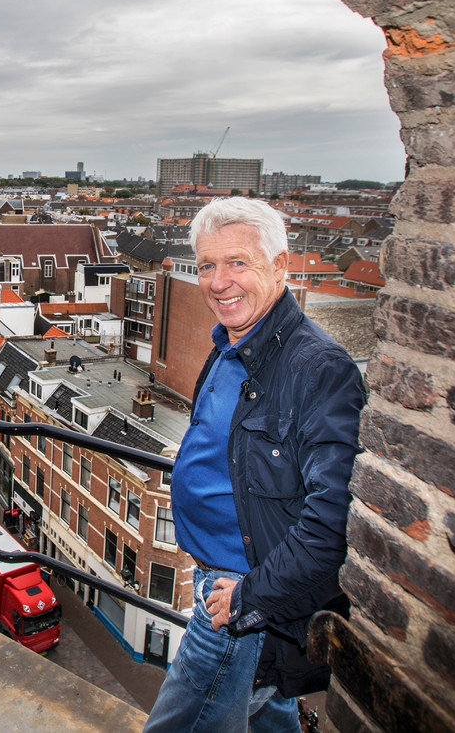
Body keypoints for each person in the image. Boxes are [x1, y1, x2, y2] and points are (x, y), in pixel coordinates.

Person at [143, 197, 364, 733]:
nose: (219, 282)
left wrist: (250, 598)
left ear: (281, 266)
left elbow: (333, 522)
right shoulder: (227, 346)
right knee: (269, 714)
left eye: (238, 262)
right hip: (227, 584)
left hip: (245, 600)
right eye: (207, 266)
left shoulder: (320, 371)